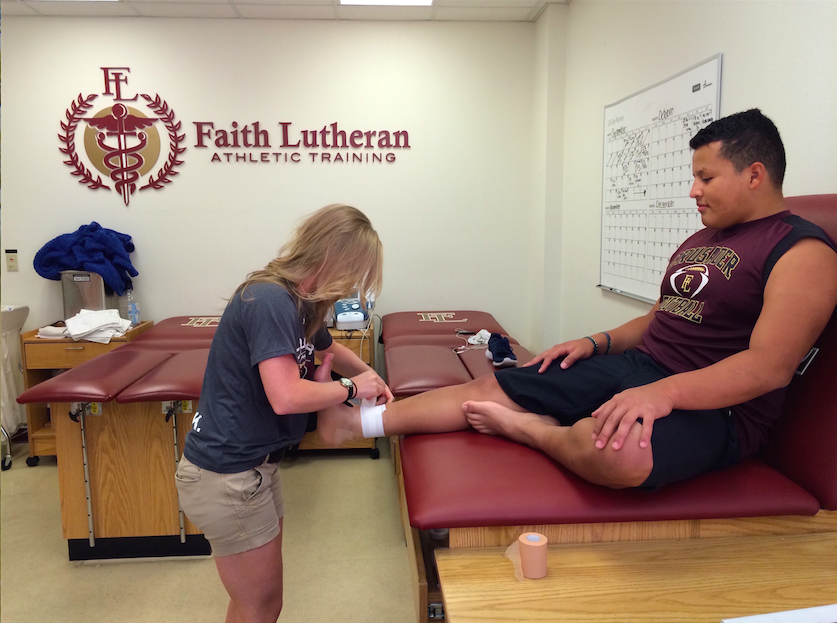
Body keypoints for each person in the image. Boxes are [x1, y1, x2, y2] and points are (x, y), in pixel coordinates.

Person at [317, 109, 837, 491]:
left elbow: (771, 367)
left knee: (617, 455)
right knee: (495, 383)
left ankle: (534, 431)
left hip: (717, 413)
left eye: (705, 177)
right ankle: (359, 423)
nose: (694, 191)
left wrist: (665, 395)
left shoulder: (802, 249)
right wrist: (595, 342)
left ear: (754, 174)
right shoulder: (703, 240)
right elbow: (662, 318)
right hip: (639, 368)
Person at [175, 204, 391, 623]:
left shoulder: (301, 301)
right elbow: (285, 397)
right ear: (333, 258)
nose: (354, 286)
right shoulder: (270, 299)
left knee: (255, 604)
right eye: (356, 272)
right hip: (228, 474)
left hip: (255, 468)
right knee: (260, 606)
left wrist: (372, 376)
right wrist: (350, 388)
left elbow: (329, 350)